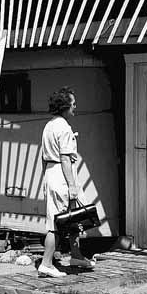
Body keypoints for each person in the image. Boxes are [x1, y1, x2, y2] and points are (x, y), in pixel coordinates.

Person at [38, 87, 94, 277]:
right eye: (73, 104)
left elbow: (43, 158)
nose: (75, 107)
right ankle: (46, 263)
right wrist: (72, 186)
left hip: (51, 173)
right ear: (65, 106)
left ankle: (76, 255)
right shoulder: (63, 127)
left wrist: (45, 180)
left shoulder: (49, 125)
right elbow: (64, 158)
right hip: (62, 175)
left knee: (73, 217)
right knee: (57, 223)